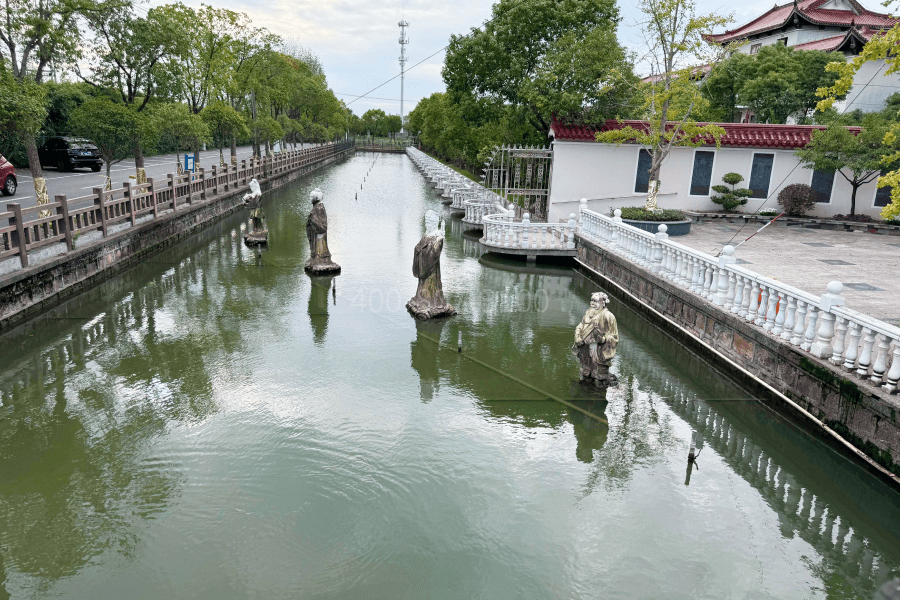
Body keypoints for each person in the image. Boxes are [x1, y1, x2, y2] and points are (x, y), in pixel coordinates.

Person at [572, 292, 618, 383]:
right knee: (586, 372)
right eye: (591, 300)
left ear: (602, 303)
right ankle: (587, 375)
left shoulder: (609, 316)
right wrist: (577, 335)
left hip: (598, 349)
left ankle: (598, 380)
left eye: (595, 301)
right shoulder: (589, 312)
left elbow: (614, 336)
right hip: (585, 347)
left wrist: (603, 339)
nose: (592, 303)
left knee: (598, 377)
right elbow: (581, 325)